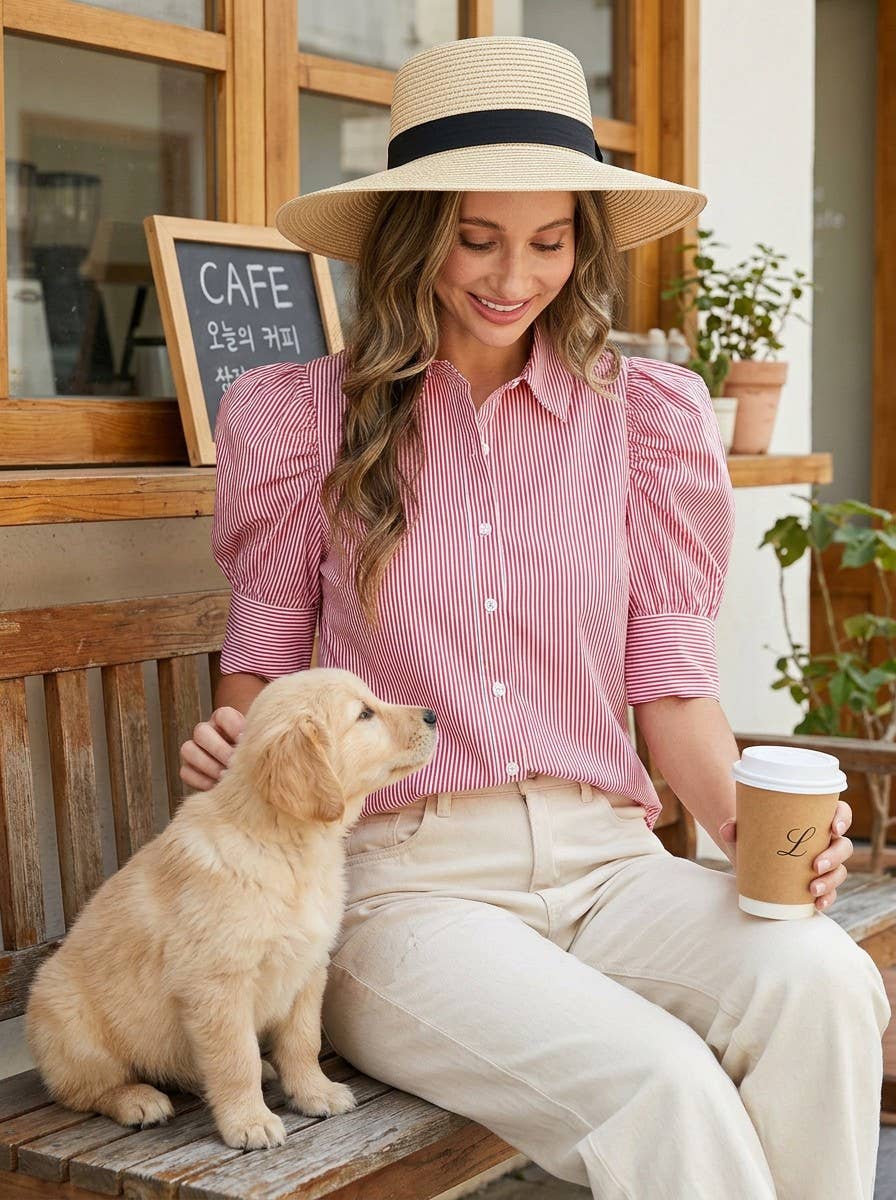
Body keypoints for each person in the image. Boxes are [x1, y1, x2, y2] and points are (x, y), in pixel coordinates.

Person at [179, 35, 890, 1200]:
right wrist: (230, 740)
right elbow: (256, 675)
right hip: (404, 885)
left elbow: (671, 690)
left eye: (550, 242)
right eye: (477, 238)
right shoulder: (304, 418)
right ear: (414, 236)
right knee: (657, 1081)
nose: (515, 276)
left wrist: (765, 859)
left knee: (816, 978)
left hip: (607, 863)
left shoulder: (645, 419)